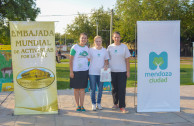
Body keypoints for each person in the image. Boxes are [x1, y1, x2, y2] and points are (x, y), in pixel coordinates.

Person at [107, 31, 131, 113]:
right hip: (112, 71)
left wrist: (128, 71)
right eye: (115, 37)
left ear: (120, 38)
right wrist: (106, 68)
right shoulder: (109, 47)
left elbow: (127, 60)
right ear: (113, 38)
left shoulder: (124, 47)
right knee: (114, 89)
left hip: (122, 71)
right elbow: (106, 59)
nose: (116, 38)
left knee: (121, 89)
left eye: (118, 37)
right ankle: (115, 103)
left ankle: (122, 106)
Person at [88, 36, 109, 111]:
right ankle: (93, 104)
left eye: (99, 41)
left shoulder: (104, 50)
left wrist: (106, 65)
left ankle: (99, 103)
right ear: (94, 42)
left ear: (101, 42)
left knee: (100, 89)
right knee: (93, 89)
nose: (98, 43)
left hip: (101, 73)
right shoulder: (90, 50)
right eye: (96, 41)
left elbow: (106, 61)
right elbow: (87, 59)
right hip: (92, 72)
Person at [69, 33, 89, 112]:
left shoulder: (87, 48)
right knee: (76, 89)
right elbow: (70, 60)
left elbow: (88, 59)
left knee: (82, 89)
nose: (83, 39)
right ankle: (77, 105)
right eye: (82, 38)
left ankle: (82, 105)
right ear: (79, 39)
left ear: (87, 39)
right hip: (76, 71)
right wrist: (71, 71)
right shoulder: (75, 47)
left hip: (84, 71)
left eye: (85, 38)